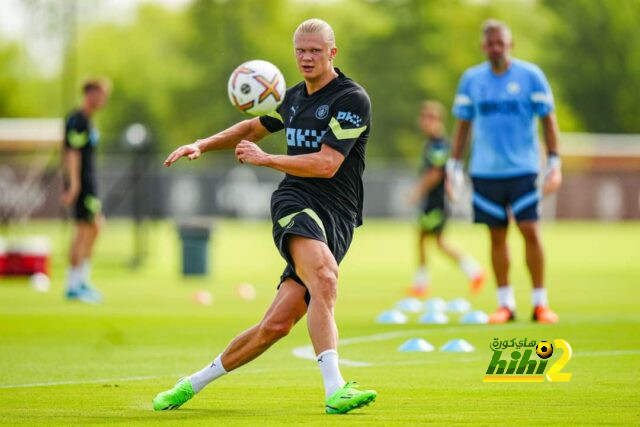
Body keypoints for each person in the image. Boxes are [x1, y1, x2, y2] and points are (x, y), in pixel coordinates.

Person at [153, 19, 377, 414]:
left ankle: (191, 384)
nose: (307, 58)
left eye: (315, 51)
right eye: (300, 51)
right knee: (324, 276)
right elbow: (253, 127)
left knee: (275, 326)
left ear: (332, 53)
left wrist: (266, 158)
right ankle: (335, 390)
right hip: (295, 202)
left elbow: (328, 165)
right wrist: (202, 144)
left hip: (338, 217)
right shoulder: (291, 99)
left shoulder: (351, 99)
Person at [448, 19, 562, 324]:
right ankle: (505, 304)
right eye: (490, 43)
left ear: (510, 44)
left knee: (530, 230)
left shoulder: (531, 76)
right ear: (483, 46)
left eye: (501, 42)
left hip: (524, 169)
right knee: (496, 236)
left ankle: (540, 303)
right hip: (485, 172)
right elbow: (463, 126)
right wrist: (454, 167)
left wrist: (554, 162)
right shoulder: (472, 80)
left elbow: (549, 120)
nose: (496, 48)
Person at [407, 101, 485, 298]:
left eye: (427, 118)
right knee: (430, 240)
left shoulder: (439, 145)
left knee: (430, 239)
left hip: (437, 201)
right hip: (435, 201)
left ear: (436, 120)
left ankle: (424, 283)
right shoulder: (433, 143)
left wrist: (417, 191)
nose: (423, 122)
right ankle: (473, 272)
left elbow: (436, 173)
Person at [60, 79, 110, 304]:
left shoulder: (88, 121)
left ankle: (81, 280)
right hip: (81, 184)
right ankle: (73, 285)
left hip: (89, 182)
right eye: (100, 94)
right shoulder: (77, 120)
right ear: (89, 94)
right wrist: (74, 184)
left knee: (95, 227)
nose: (103, 100)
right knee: (82, 230)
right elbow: (72, 153)